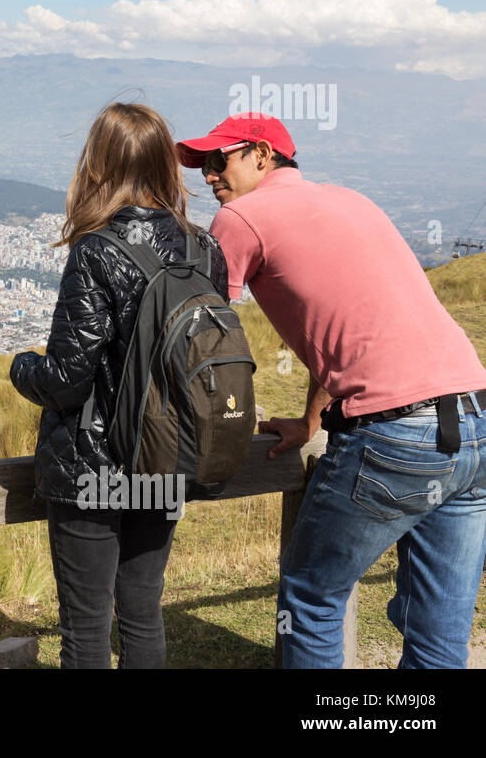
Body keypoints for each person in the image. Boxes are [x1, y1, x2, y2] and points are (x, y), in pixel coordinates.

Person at [177, 111, 486, 668]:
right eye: (200, 163)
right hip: (475, 422)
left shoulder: (240, 218)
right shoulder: (352, 200)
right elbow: (350, 322)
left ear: (262, 155)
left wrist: (202, 427)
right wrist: (311, 420)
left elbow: (204, 327)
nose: (207, 175)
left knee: (311, 599)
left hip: (396, 431)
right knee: (439, 631)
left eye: (218, 159)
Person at [9, 101, 228, 668]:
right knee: (142, 611)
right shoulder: (204, 248)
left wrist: (20, 368)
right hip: (165, 456)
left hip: (94, 467)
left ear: (96, 165)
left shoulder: (96, 250)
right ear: (165, 163)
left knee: (85, 629)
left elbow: (66, 382)